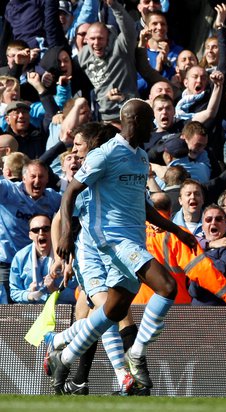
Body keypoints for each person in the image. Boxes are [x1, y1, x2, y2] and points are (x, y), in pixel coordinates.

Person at [47, 99, 198, 394]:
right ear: (133, 121)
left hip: (133, 238)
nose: (154, 125)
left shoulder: (141, 156)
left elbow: (142, 205)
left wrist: (176, 229)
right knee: (167, 286)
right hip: (112, 238)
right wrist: (65, 236)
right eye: (149, 119)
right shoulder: (105, 154)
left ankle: (62, 357)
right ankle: (136, 354)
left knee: (113, 311)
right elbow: (70, 194)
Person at [0, 160, 61, 304]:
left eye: (41, 177)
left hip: (36, 262)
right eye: (33, 176)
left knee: (36, 301)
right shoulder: (8, 191)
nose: (37, 181)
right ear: (24, 178)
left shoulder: (53, 199)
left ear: (47, 179)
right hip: (7, 261)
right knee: (5, 308)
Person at [9, 214, 77, 304]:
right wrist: (29, 295)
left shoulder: (68, 256)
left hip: (62, 312)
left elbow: (80, 294)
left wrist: (56, 290)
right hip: (29, 313)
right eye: (35, 230)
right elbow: (14, 292)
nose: (41, 233)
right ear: (30, 235)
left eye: (46, 229)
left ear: (53, 231)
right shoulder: (20, 257)